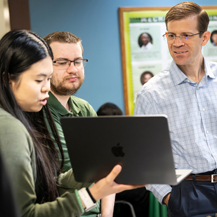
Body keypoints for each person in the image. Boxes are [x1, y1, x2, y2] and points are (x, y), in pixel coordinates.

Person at [0, 29, 145, 217]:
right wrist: (94, 193)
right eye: (39, 79)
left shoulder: (84, 109)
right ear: (8, 79)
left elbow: (81, 173)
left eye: (77, 61)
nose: (46, 88)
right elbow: (29, 209)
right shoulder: (20, 122)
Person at [134, 2, 217, 217]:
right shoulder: (151, 93)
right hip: (189, 193)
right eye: (171, 35)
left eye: (186, 35)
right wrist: (170, 198)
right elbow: (143, 156)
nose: (177, 43)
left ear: (205, 37)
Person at [43, 31, 115, 217]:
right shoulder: (37, 111)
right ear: (44, 65)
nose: (73, 69)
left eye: (77, 61)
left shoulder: (84, 109)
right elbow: (59, 178)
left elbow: (106, 168)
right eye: (62, 62)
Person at [97, 102, 149, 217]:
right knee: (142, 192)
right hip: (104, 187)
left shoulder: (95, 138)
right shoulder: (123, 140)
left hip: (109, 185)